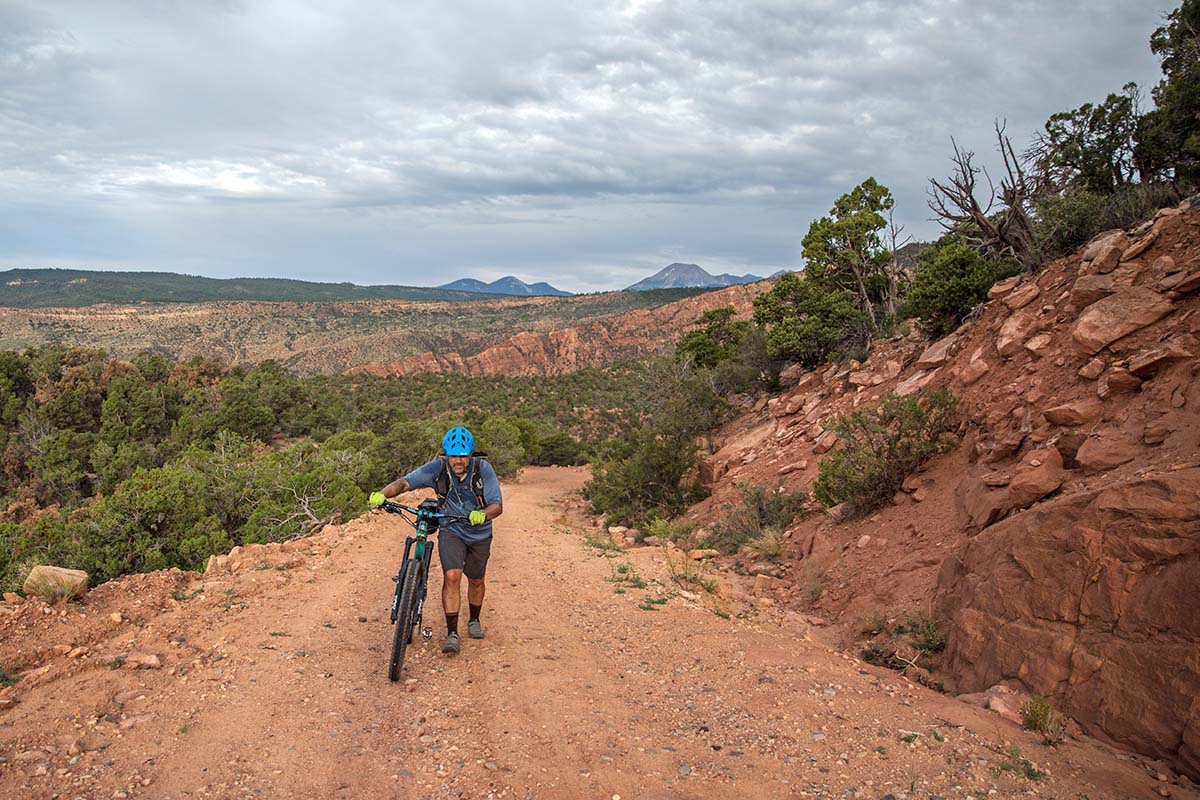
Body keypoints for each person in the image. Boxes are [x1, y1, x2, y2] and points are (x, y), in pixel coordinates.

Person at [369, 426, 503, 655]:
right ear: (447, 454)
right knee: (452, 576)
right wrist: (383, 493)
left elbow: (497, 506)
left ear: (470, 454)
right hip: (451, 529)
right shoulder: (438, 468)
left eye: (462, 455)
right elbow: (405, 483)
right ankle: (452, 633)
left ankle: (474, 619)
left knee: (476, 579)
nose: (458, 460)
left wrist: (484, 514)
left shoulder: (483, 470)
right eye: (453, 455)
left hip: (479, 533)